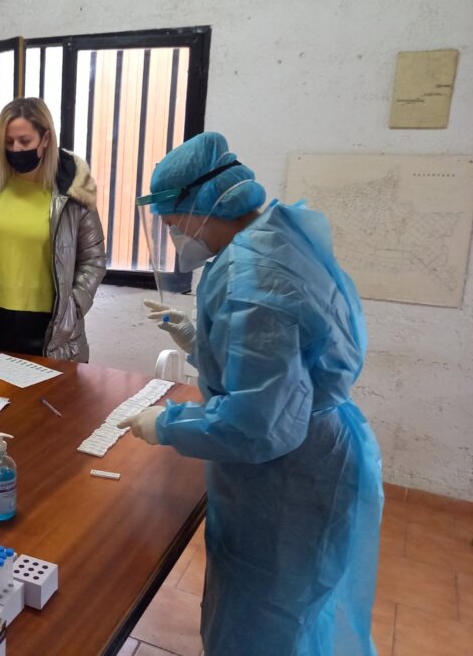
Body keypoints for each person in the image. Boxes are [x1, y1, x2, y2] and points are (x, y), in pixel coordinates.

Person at [120, 132, 383, 655]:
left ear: (203, 206)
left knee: (264, 623)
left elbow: (257, 422)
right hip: (313, 448)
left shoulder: (251, 277)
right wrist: (199, 340)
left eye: (173, 222)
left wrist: (166, 424)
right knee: (292, 615)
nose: (173, 233)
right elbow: (278, 366)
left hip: (290, 479)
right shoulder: (271, 239)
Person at [0, 97, 106, 362]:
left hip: (53, 326)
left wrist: (75, 305)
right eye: (8, 142)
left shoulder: (73, 191)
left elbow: (93, 258)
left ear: (46, 139)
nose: (16, 149)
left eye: (24, 141)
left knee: (52, 390)